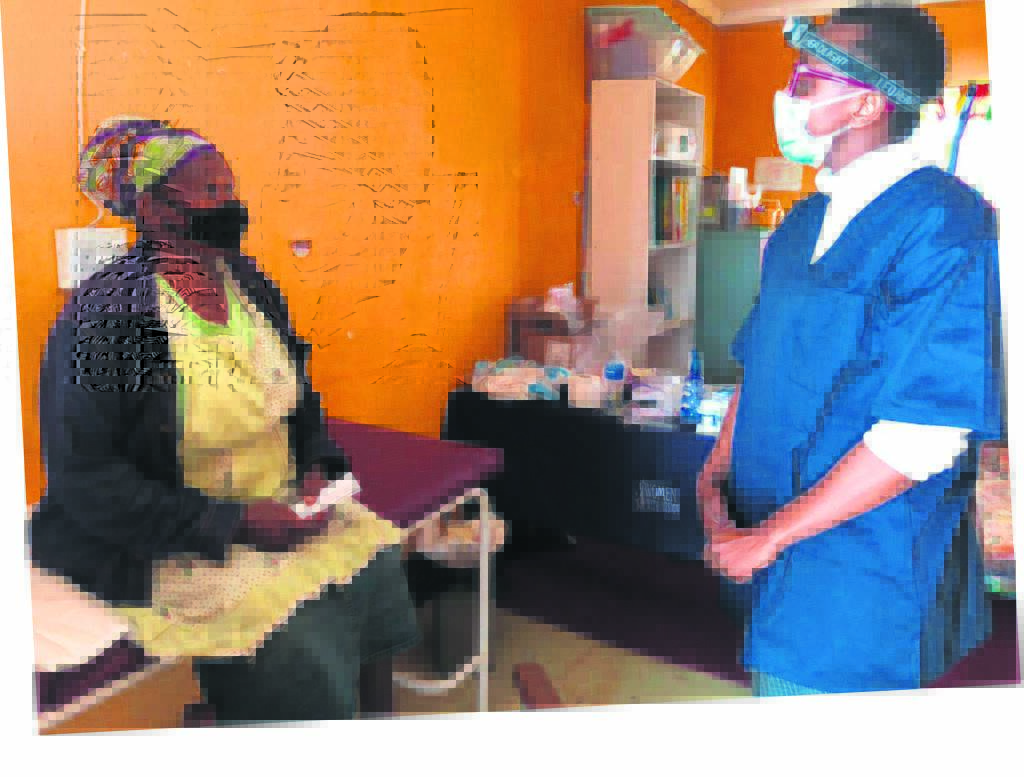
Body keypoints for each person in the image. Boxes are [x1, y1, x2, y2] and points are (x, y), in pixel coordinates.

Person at [29, 117, 420, 723]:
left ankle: (374, 736)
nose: (231, 205)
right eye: (211, 191)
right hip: (170, 535)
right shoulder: (104, 319)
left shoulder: (248, 283)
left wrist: (315, 465)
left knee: (376, 565)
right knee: (290, 636)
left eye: (231, 189)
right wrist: (233, 522)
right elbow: (86, 479)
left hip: (277, 504)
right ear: (154, 209)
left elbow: (298, 397)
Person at [697, 8, 1003, 697]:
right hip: (765, 541)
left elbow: (923, 435)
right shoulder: (802, 222)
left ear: (867, 104)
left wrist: (771, 537)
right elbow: (760, 361)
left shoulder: (947, 226)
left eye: (807, 81)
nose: (788, 96)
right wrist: (716, 469)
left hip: (859, 572)